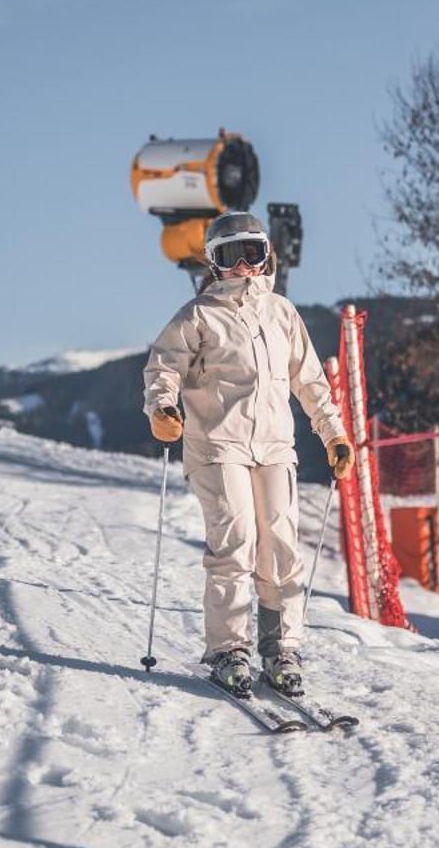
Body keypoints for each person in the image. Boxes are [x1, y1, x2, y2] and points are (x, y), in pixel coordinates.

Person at [142, 211, 355, 700]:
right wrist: (163, 408)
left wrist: (334, 436)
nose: (243, 268)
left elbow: (310, 383)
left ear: (266, 256)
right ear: (213, 264)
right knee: (235, 541)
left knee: (280, 546)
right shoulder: (198, 315)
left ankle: (282, 648)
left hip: (275, 446)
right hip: (217, 443)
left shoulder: (281, 313)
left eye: (252, 254)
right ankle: (228, 649)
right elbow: (162, 369)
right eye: (230, 257)